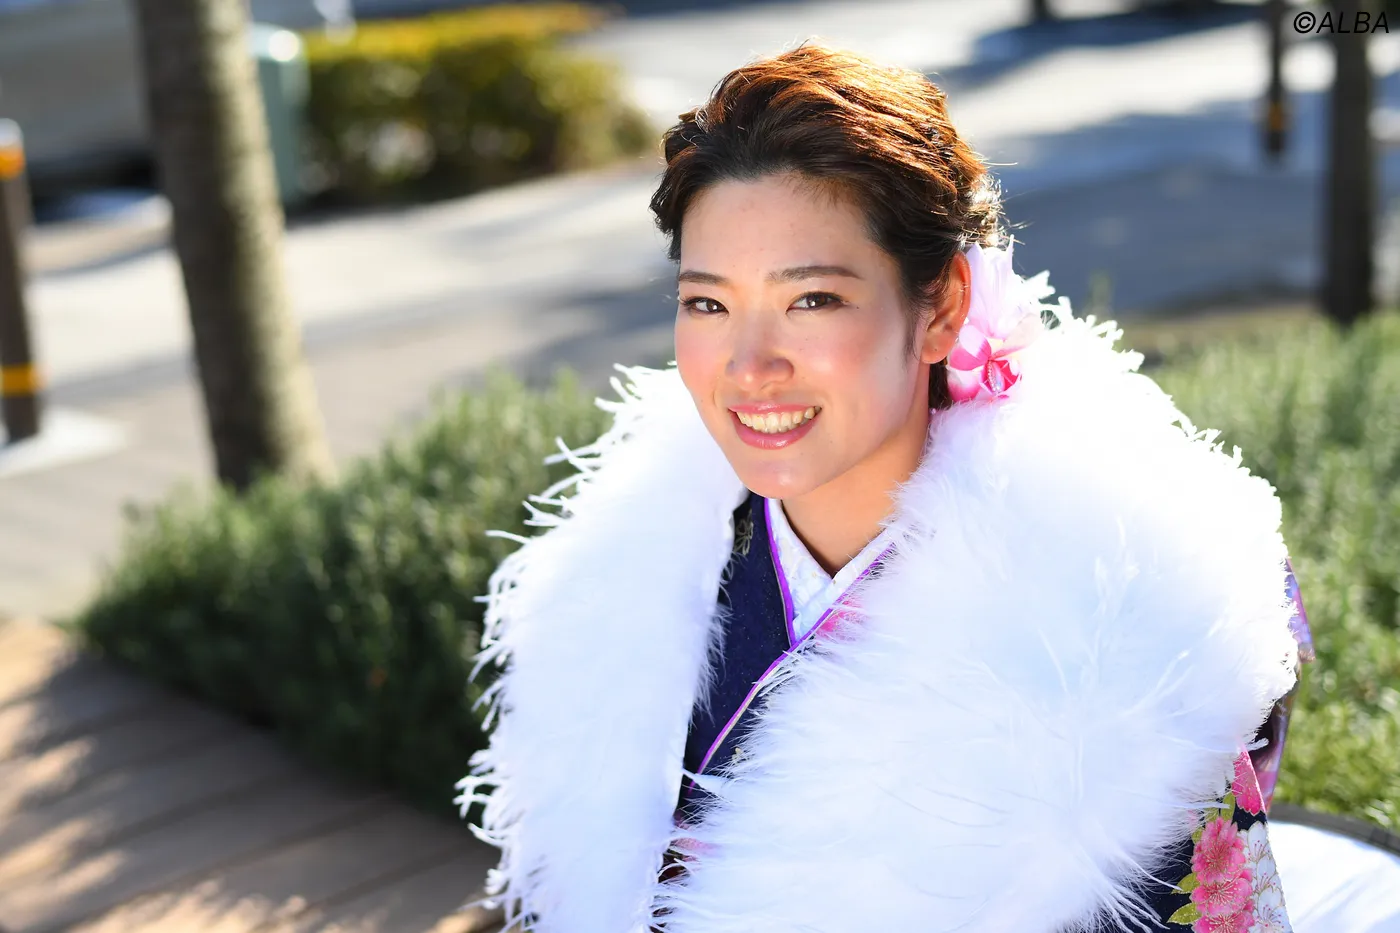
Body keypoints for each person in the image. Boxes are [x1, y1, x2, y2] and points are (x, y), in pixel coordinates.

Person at [456, 43, 1309, 933]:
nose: (749, 366)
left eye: (812, 300)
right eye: (708, 303)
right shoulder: (650, 578)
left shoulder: (1113, 649)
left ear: (941, 308)